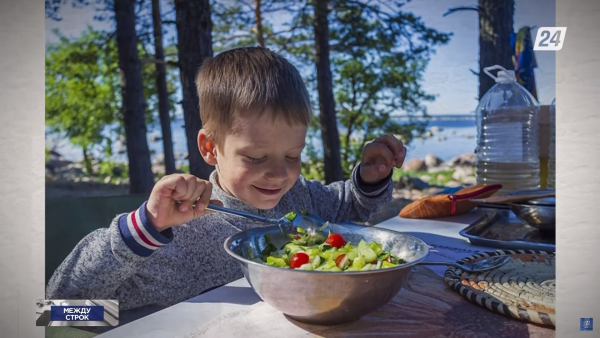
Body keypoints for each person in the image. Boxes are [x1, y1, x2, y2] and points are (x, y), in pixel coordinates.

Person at [46, 47, 406, 310]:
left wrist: (368, 179)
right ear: (210, 148)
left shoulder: (300, 201)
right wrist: (145, 228)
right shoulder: (184, 238)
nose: (281, 174)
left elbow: (350, 208)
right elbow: (57, 309)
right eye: (255, 157)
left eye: (293, 156)